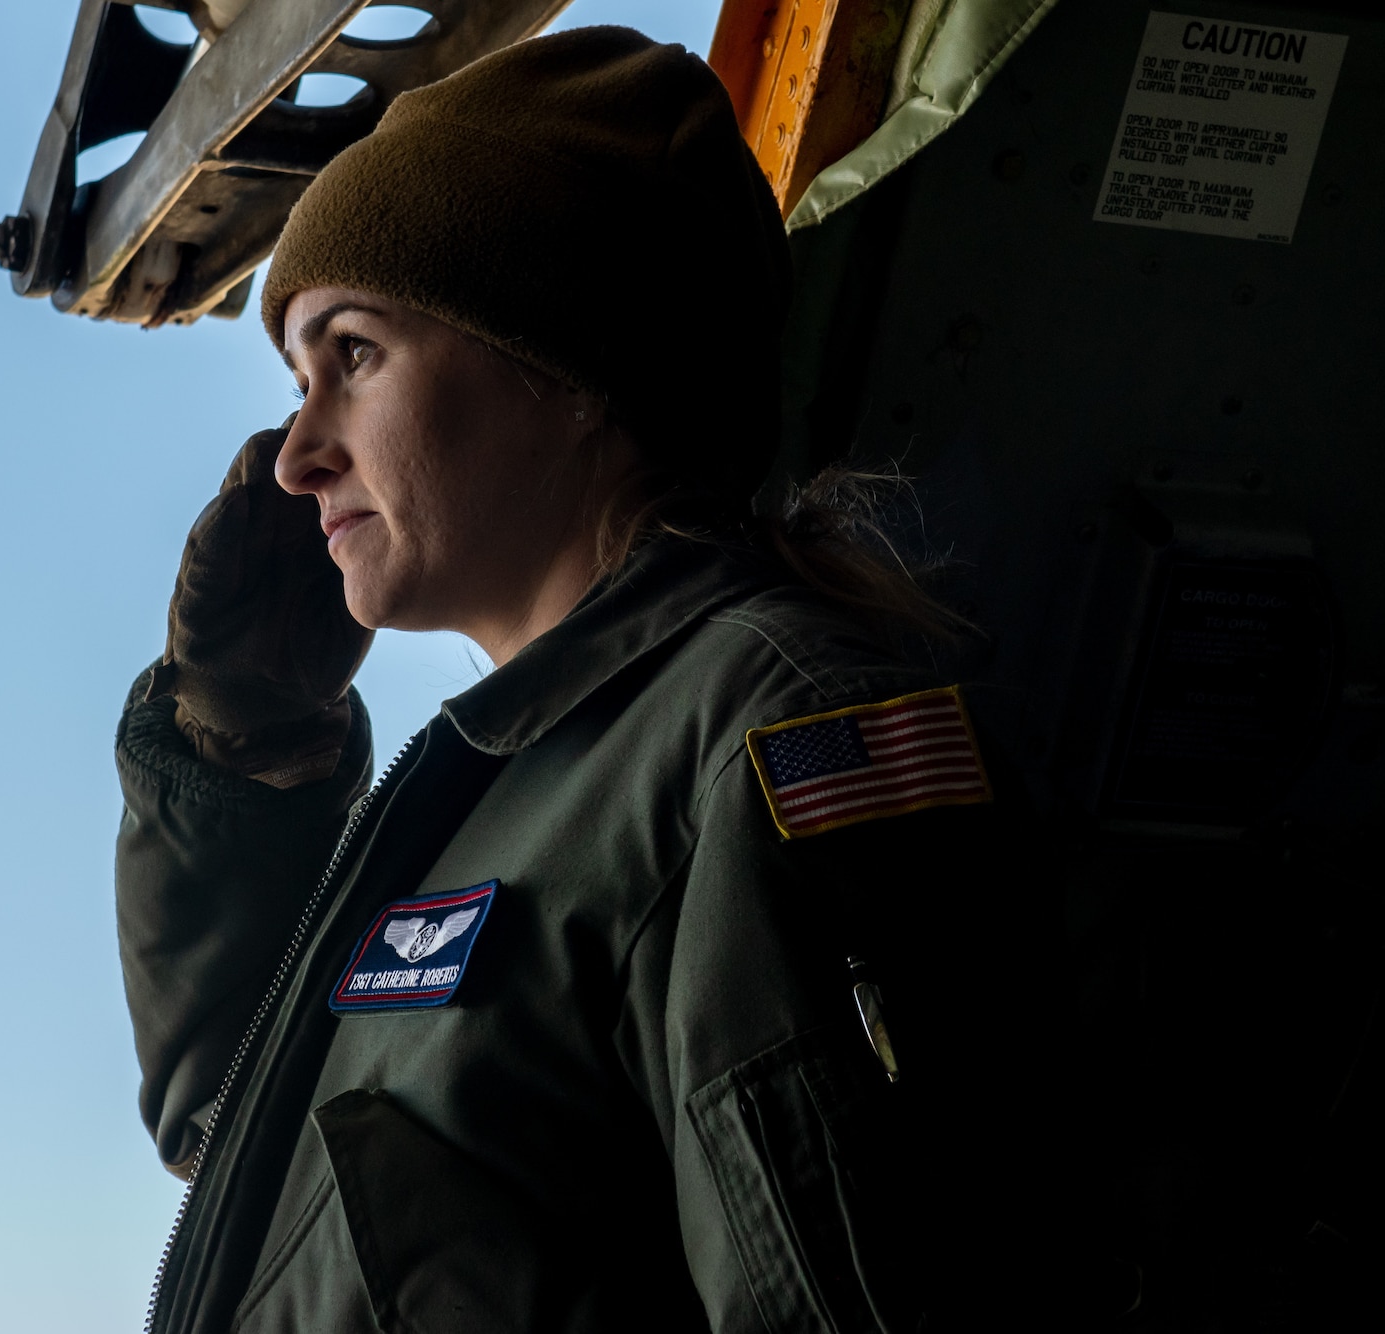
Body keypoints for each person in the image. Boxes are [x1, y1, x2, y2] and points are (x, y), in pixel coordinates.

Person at [116, 26, 1053, 1334]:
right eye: (296, 379)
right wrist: (245, 747)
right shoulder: (507, 794)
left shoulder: (757, 742)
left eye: (356, 355)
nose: (294, 455)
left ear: (564, 361)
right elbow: (245, 1147)